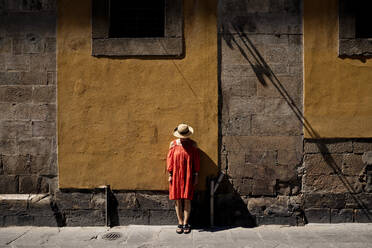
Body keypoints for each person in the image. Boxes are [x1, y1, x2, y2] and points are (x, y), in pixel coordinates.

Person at [167, 123, 200, 234]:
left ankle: (186, 223)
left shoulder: (193, 145)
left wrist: (196, 176)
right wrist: (170, 174)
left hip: (188, 175)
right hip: (176, 175)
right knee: (177, 199)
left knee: (187, 199)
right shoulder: (173, 144)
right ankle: (180, 222)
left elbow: (196, 161)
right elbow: (170, 160)